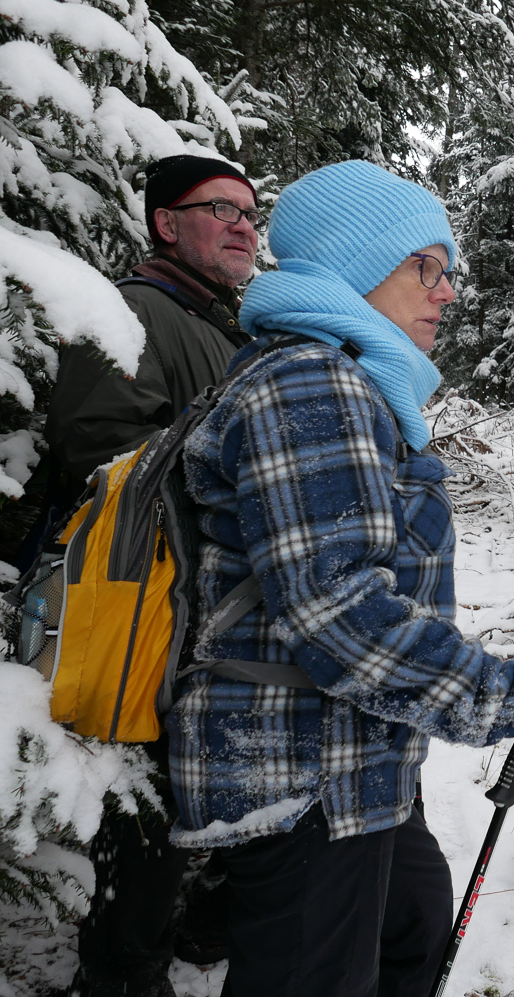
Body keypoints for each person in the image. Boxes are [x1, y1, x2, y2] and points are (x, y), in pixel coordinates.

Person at [166, 159, 514, 996]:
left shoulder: (350, 381)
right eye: (428, 265)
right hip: (300, 778)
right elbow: (340, 612)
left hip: (358, 765)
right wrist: (510, 693)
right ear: (358, 264)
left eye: (448, 269)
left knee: (414, 927)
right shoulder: (310, 381)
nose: (449, 291)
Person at [36, 154, 261, 997]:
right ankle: (121, 975)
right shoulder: (134, 311)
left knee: (198, 786)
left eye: (249, 211)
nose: (244, 225)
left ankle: (195, 933)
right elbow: (104, 455)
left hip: (210, 604)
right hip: (149, 613)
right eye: (220, 209)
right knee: (146, 810)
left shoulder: (218, 322)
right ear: (166, 223)